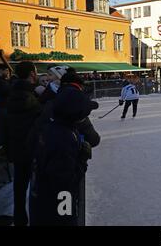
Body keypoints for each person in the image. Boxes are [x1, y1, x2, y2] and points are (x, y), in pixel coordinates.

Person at [29, 84, 99, 226]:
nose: (87, 116)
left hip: (44, 201)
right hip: (55, 207)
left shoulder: (55, 127)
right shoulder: (63, 138)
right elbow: (64, 185)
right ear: (75, 114)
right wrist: (82, 159)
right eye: (85, 112)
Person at [1, 61, 41, 226]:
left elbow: (4, 126)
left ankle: (19, 220)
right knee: (37, 189)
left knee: (19, 187)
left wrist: (7, 149)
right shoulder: (32, 96)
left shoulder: (10, 94)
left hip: (17, 150)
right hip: (33, 150)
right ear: (32, 74)